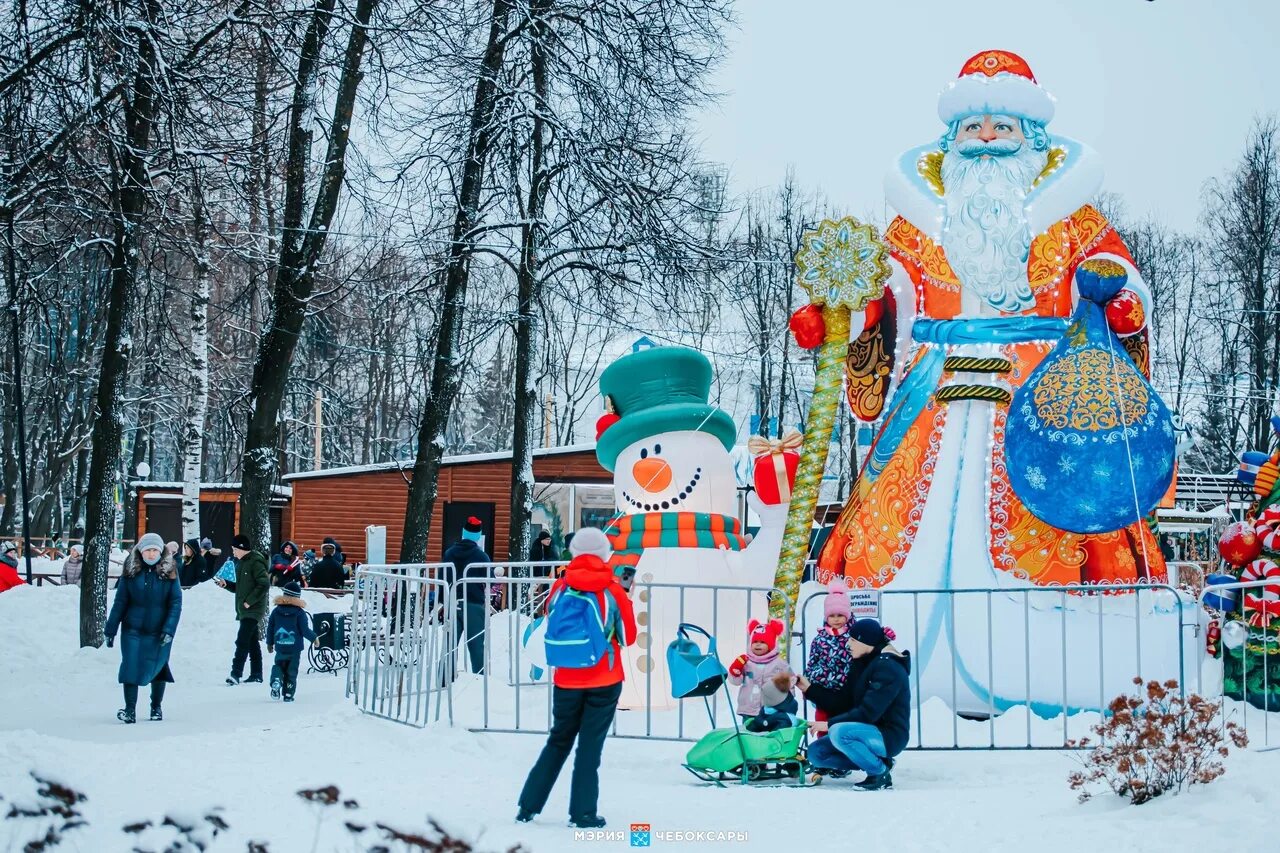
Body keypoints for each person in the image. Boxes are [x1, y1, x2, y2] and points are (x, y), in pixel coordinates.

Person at [516, 527, 637, 829]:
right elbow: (629, 636)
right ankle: (582, 813)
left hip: (566, 679)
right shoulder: (612, 589)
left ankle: (528, 807)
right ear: (604, 553)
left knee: (558, 740)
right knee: (589, 747)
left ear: (574, 552)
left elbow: (550, 618)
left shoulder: (560, 586)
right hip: (605, 678)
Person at [798, 618, 912, 791]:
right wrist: (809, 688)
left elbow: (868, 713)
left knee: (838, 732)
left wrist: (828, 724)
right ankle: (877, 761)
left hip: (888, 735)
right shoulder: (862, 662)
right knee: (816, 753)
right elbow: (843, 701)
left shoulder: (888, 667)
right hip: (865, 731)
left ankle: (879, 773)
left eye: (853, 640)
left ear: (866, 642)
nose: (848, 644)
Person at [104, 532, 182, 723]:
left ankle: (156, 707)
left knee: (159, 667)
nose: (151, 554)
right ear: (140, 551)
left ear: (161, 551)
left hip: (159, 631)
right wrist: (110, 629)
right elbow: (120, 602)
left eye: (155, 550)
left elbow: (175, 603)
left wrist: (169, 630)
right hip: (133, 630)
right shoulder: (130, 571)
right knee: (130, 665)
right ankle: (130, 709)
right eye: (147, 550)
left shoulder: (169, 571)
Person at [216, 534, 269, 685]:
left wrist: (249, 602)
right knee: (252, 642)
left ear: (241, 548)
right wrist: (227, 585)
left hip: (253, 609)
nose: (233, 552)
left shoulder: (256, 562)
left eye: (234, 549)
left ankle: (235, 673)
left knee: (242, 640)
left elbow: (264, 584)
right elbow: (240, 588)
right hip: (245, 609)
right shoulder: (241, 563)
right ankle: (257, 674)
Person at [444, 517, 492, 676]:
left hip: (452, 603)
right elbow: (489, 581)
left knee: (449, 644)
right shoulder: (481, 556)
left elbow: (442, 577)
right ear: (478, 536)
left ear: (463, 533)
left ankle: (445, 678)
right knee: (476, 645)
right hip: (473, 605)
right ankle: (479, 680)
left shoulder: (449, 553)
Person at [727, 618, 796, 725]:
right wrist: (735, 672)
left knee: (767, 737)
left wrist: (786, 703)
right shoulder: (746, 662)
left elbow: (790, 682)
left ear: (771, 644)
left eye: (763, 642)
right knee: (748, 735)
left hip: (771, 710)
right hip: (748, 710)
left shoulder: (780, 664)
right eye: (755, 642)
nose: (758, 645)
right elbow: (736, 681)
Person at [803, 580, 853, 722]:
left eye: (840, 615)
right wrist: (813, 679)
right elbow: (812, 663)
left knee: (843, 725)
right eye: (832, 616)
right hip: (823, 691)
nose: (836, 619)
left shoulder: (853, 636)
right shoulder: (820, 639)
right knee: (823, 724)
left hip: (846, 692)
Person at [266, 580, 316, 702]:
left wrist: (270, 642)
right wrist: (314, 638)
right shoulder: (300, 613)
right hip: (295, 649)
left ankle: (276, 679)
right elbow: (304, 630)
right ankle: (288, 694)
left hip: (280, 647)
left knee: (278, 665)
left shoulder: (276, 611)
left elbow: (270, 628)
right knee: (291, 671)